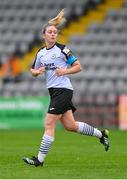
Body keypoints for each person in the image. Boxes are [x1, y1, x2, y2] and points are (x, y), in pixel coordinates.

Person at [23, 9, 110, 167]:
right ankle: (102, 134)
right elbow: (32, 71)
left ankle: (39, 160)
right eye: (49, 32)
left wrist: (65, 71)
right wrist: (36, 72)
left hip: (63, 90)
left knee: (49, 123)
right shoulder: (41, 53)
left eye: (55, 32)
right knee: (71, 126)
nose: (53, 34)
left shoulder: (63, 50)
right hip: (54, 91)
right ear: (44, 35)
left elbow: (78, 66)